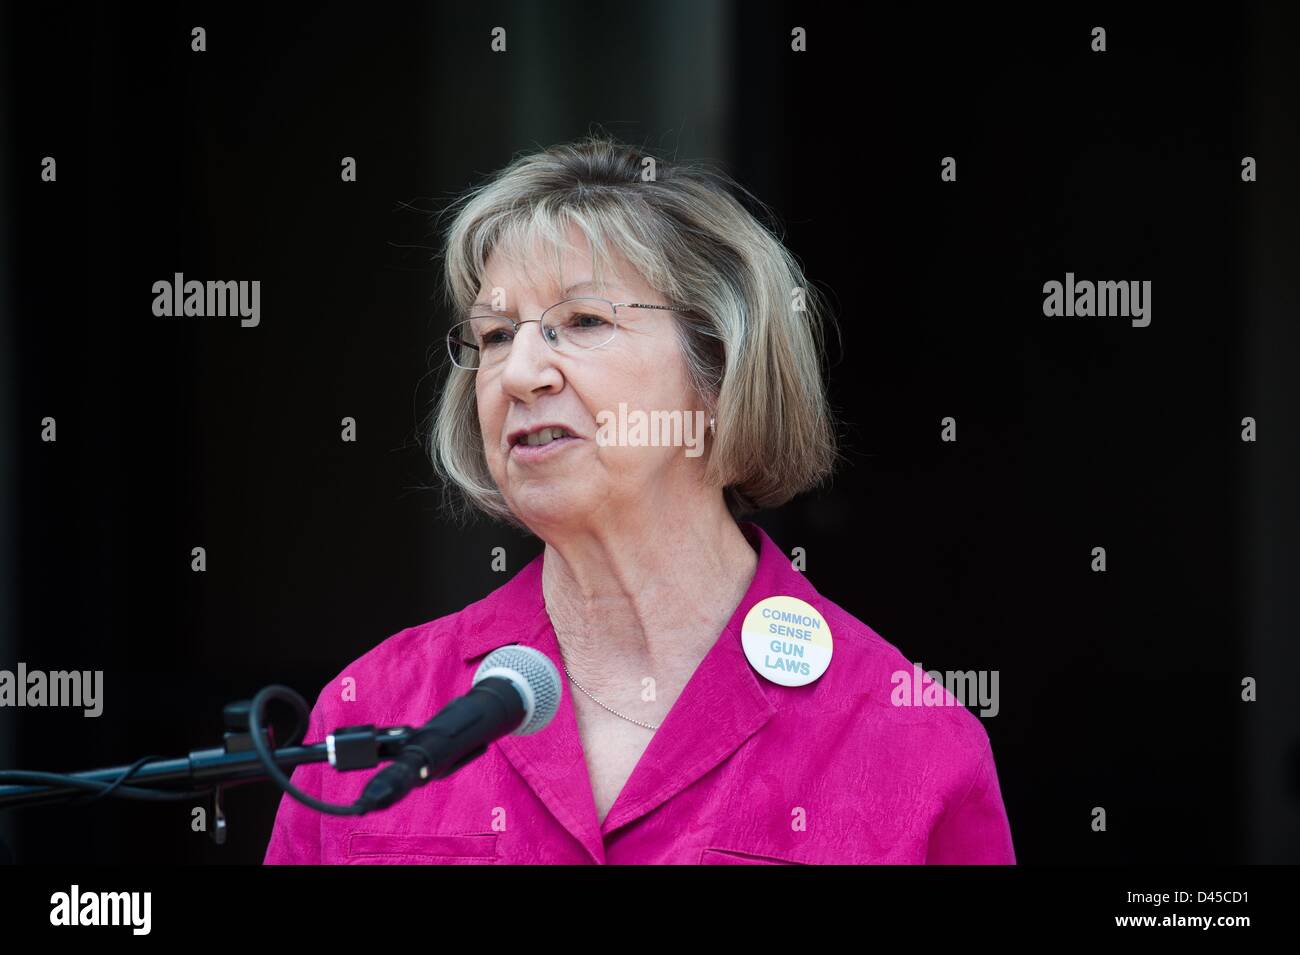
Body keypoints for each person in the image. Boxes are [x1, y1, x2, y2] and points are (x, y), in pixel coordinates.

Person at [263, 135, 1015, 864]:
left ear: (720, 369)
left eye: (583, 321)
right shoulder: (373, 711)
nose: (520, 373)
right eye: (493, 336)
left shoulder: (905, 736)